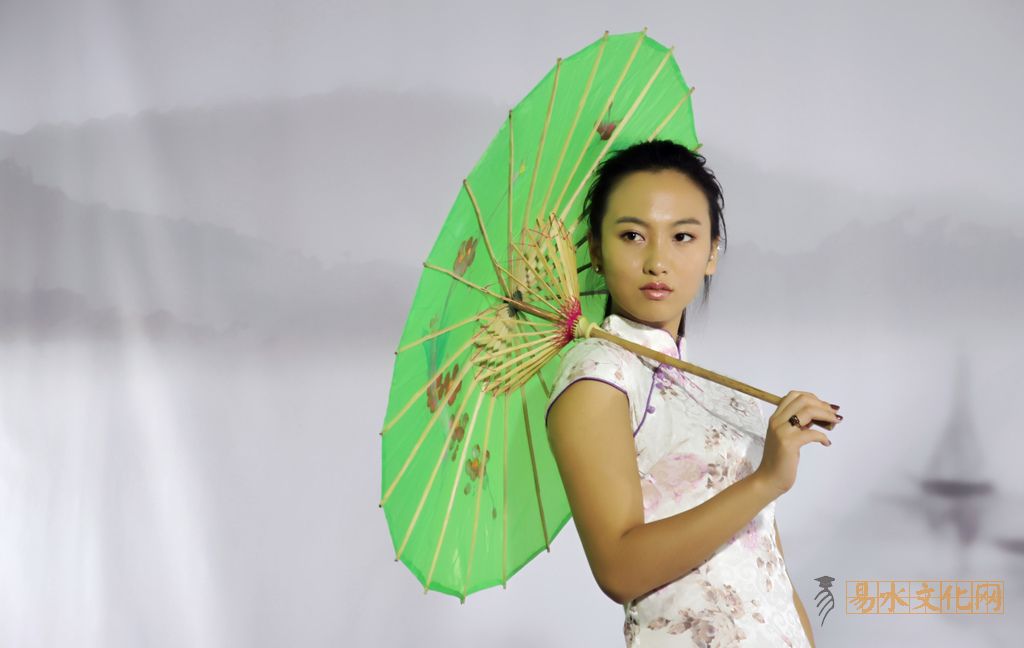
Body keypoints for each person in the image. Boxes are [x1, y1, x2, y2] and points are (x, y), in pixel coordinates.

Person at [544, 139, 841, 647]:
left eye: (682, 236)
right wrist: (766, 480)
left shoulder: (707, 389)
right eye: (632, 235)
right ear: (595, 250)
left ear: (712, 253)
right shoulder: (598, 375)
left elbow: (768, 568)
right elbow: (618, 569)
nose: (657, 261)